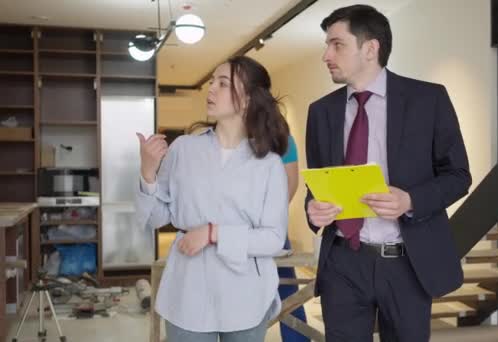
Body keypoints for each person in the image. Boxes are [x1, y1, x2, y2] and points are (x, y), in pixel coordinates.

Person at [304, 5, 472, 342]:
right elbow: (317, 187)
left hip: (408, 264)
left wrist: (410, 199)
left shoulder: (428, 99)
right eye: (327, 45)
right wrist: (313, 210)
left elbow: (458, 175)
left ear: (370, 48)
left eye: (337, 45)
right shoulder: (321, 112)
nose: (326, 55)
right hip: (342, 263)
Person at [135, 55, 290, 342]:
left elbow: (272, 238)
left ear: (248, 99)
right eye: (212, 82)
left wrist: (212, 233)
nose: (211, 90)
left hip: (246, 293)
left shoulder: (269, 164)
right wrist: (147, 173)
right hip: (188, 291)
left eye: (223, 83)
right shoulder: (184, 148)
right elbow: (156, 218)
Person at [278, 135, 310, 342]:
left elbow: (291, 185)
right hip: (229, 231)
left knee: (287, 295)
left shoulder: (283, 139)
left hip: (272, 230)